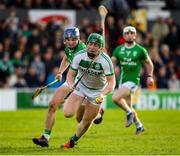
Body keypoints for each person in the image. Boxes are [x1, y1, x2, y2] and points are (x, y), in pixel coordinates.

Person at [32, 27, 104, 147]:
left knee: (80, 118)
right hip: (70, 81)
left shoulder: (84, 50)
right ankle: (45, 137)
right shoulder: (68, 49)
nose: (71, 42)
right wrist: (60, 72)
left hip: (83, 84)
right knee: (52, 104)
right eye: (68, 39)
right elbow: (66, 59)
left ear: (78, 39)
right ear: (64, 40)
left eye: (74, 39)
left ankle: (98, 113)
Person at [61, 33, 115, 148]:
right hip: (81, 86)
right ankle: (98, 114)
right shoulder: (79, 56)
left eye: (95, 45)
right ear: (86, 44)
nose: (92, 47)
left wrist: (103, 94)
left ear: (100, 47)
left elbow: (112, 83)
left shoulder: (106, 61)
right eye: (90, 44)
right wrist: (70, 84)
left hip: (97, 91)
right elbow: (70, 75)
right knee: (69, 114)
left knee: (86, 120)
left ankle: (73, 141)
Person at [112, 26, 154, 135]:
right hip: (123, 81)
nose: (130, 35)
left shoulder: (140, 50)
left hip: (133, 81)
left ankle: (129, 113)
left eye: (132, 33)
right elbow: (111, 63)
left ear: (135, 35)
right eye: (127, 33)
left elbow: (149, 63)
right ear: (124, 35)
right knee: (129, 106)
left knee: (115, 98)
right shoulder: (118, 50)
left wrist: (150, 76)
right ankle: (139, 126)